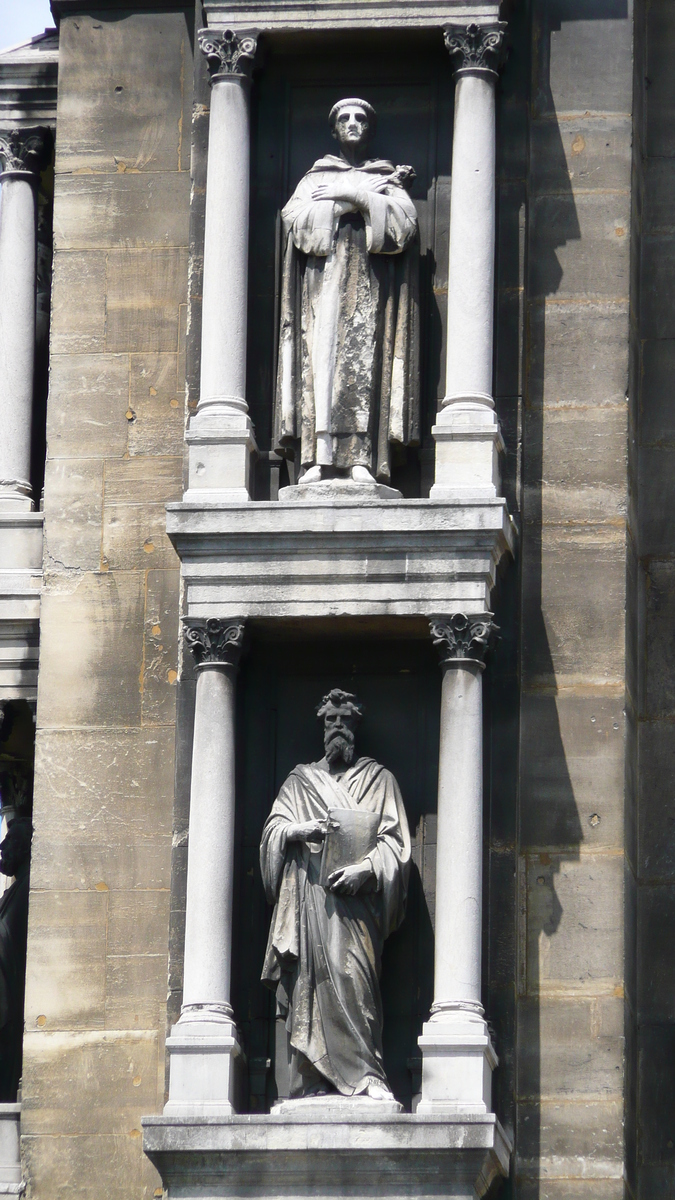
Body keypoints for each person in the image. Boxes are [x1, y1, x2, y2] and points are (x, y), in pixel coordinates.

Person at [260, 689, 411, 1100]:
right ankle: (312, 1077)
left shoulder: (380, 781)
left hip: (356, 908)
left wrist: (365, 871)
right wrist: (298, 831)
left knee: (353, 980)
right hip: (309, 899)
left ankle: (367, 1074)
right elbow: (272, 832)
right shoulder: (299, 781)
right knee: (311, 981)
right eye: (330, 720)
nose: (338, 727)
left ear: (356, 726)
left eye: (345, 719)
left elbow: (396, 844)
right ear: (322, 726)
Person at [273, 99, 420, 486]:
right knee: (319, 367)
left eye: (360, 119)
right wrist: (349, 200)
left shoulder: (384, 178)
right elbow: (295, 222)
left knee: (363, 364)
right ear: (334, 130)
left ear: (369, 129)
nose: (353, 124)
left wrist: (361, 197)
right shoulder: (314, 179)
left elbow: (404, 228)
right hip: (322, 289)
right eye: (344, 119)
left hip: (370, 290)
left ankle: (359, 458)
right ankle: (317, 459)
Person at [0, 818, 32, 1101]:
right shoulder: (16, 888)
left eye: (10, 840)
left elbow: (7, 939)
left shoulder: (29, 887)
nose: (2, 845)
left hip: (11, 1006)